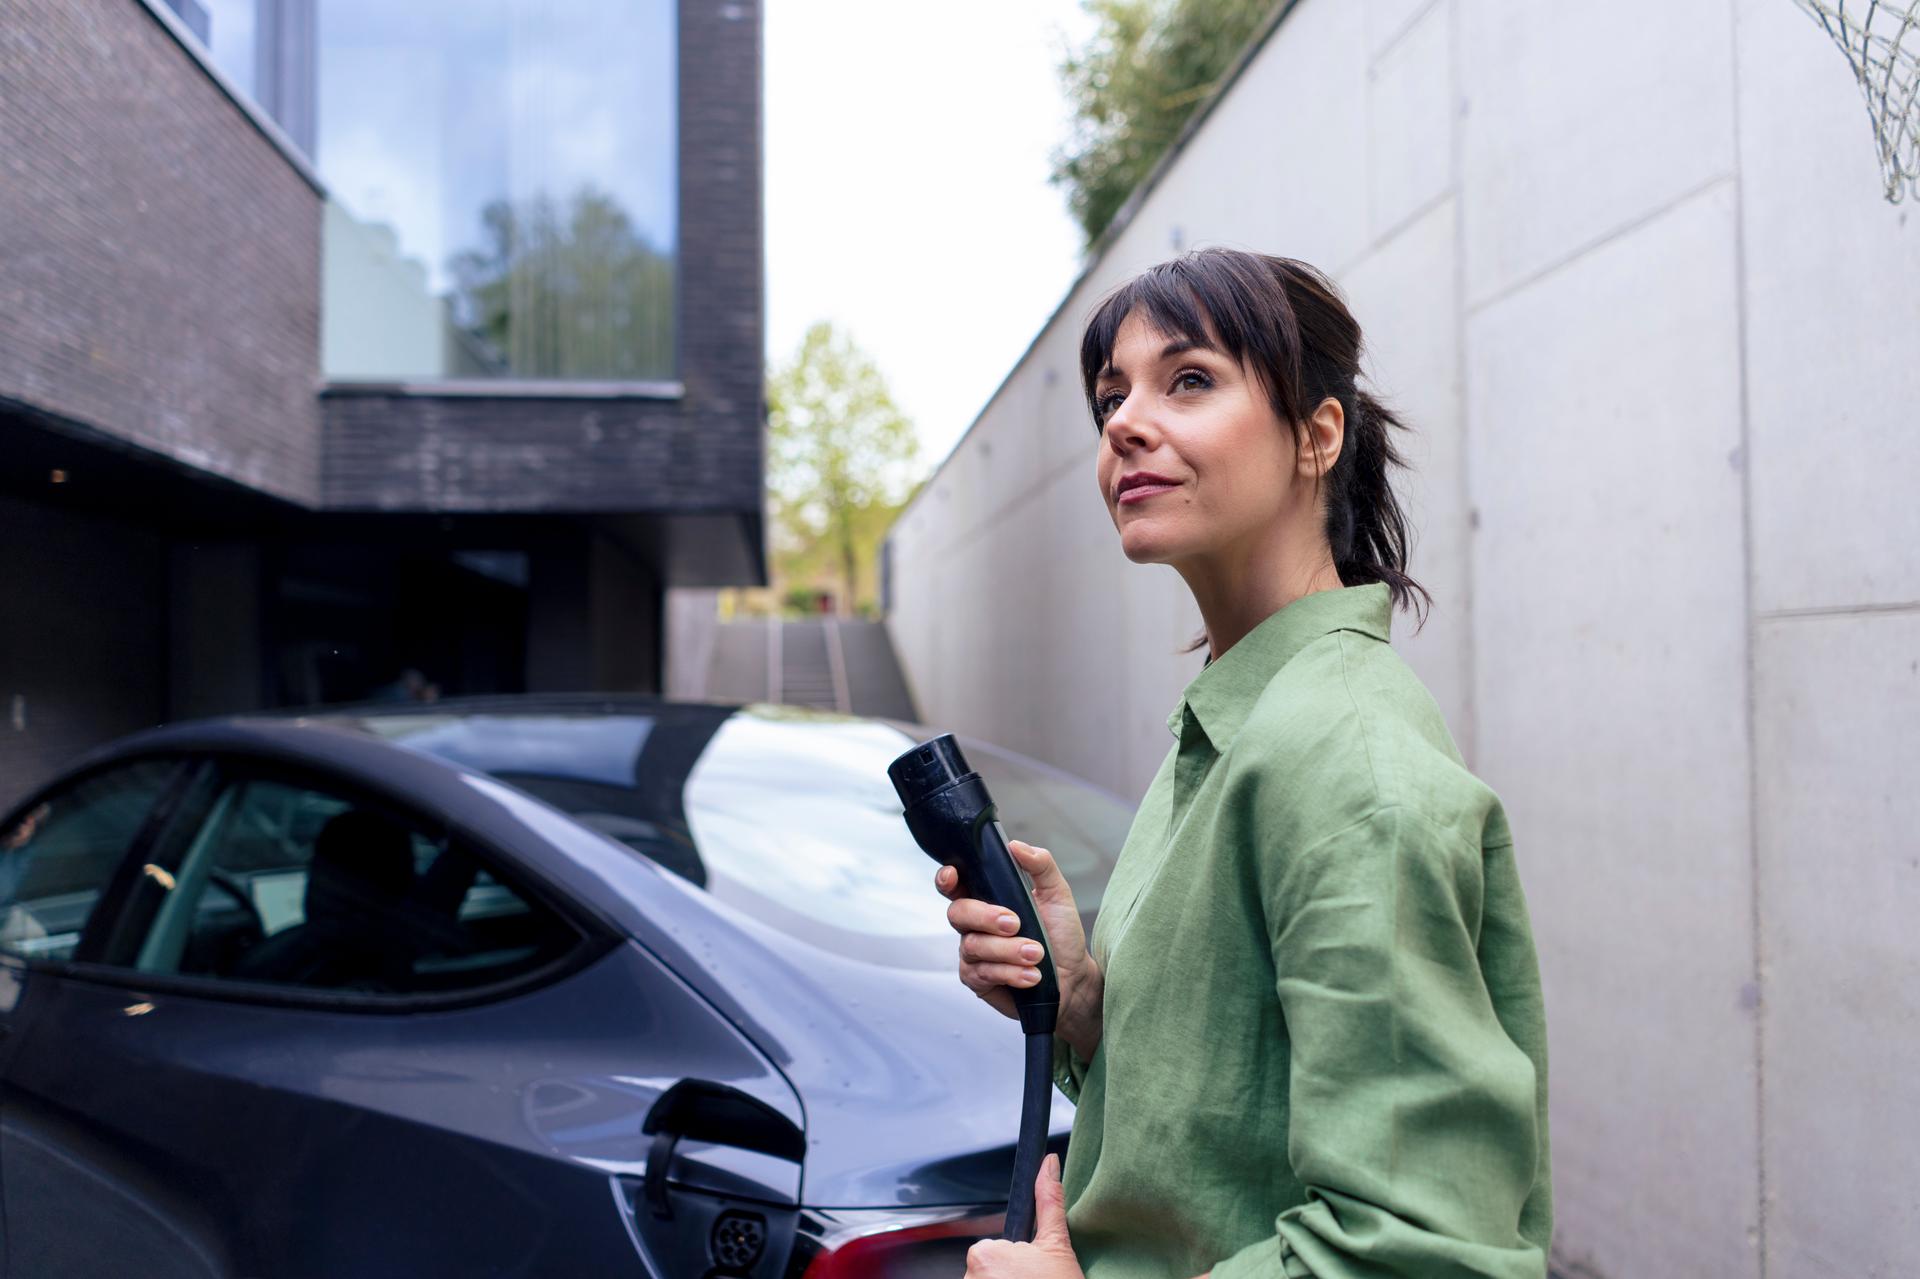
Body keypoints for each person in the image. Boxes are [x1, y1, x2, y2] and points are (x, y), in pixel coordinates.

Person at [938, 249, 1552, 1279]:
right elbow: (1231, 1122)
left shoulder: (1341, 756)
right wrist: (1083, 1006)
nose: (1125, 424)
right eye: (1111, 398)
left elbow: (1417, 1255)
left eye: (1189, 379)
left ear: (1318, 434)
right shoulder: (1242, 718)